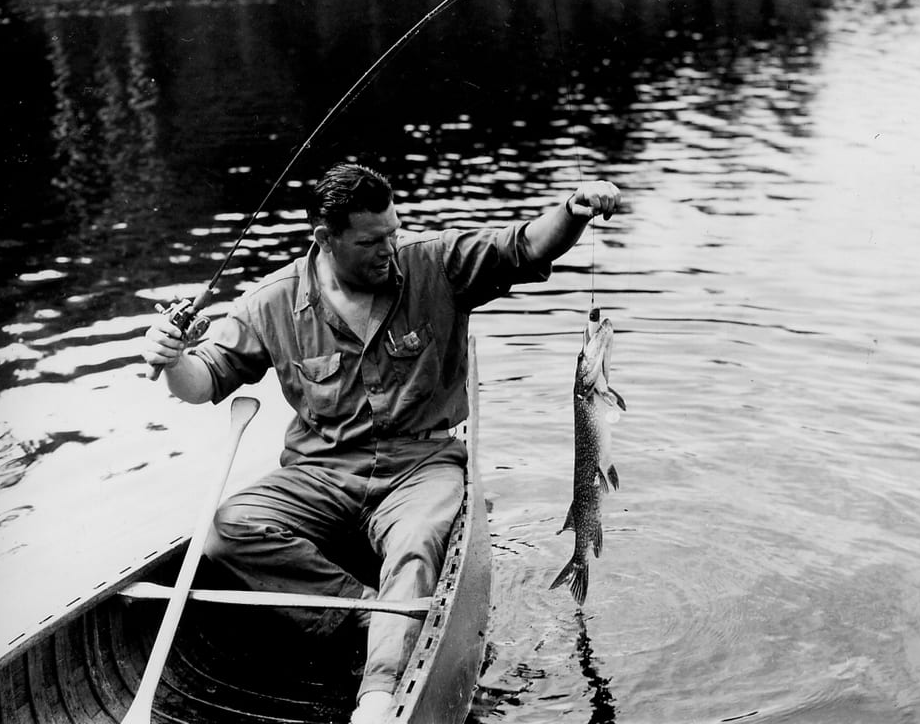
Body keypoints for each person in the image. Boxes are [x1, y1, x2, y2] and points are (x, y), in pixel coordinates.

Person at [141, 163, 621, 724]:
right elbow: (204, 382)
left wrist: (573, 209)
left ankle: (377, 694)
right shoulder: (272, 301)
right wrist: (173, 360)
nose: (389, 248)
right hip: (319, 472)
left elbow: (523, 248)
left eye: (394, 231)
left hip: (421, 465)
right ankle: (369, 614)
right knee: (225, 530)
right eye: (371, 240)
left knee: (415, 542)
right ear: (325, 239)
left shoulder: (433, 263)